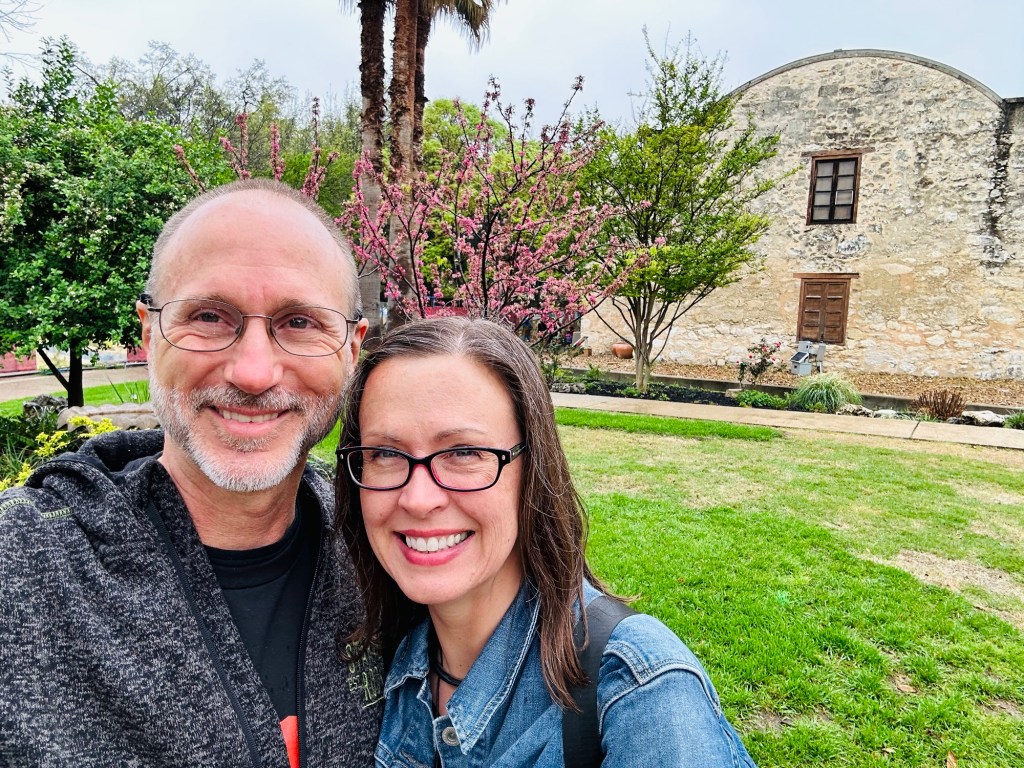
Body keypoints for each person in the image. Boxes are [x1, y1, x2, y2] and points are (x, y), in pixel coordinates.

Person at [0, 179, 383, 767]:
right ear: (150, 333)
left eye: (301, 322)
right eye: (209, 316)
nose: (255, 372)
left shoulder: (390, 557)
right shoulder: (22, 566)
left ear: (351, 349)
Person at [334, 316, 757, 767]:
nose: (418, 499)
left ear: (532, 473)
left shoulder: (641, 693)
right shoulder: (388, 663)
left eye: (463, 453)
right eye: (384, 453)